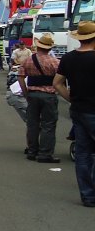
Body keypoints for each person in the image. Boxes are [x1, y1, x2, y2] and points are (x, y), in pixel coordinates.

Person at [53, 20, 95, 207]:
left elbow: (57, 83)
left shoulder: (68, 58)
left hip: (78, 109)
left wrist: (70, 98)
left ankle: (88, 195)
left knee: (83, 154)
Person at [19, 33, 61, 163]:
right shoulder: (55, 62)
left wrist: (25, 92)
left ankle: (32, 151)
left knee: (33, 124)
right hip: (49, 95)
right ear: (49, 48)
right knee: (48, 125)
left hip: (32, 94)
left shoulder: (28, 60)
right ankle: (45, 153)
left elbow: (20, 76)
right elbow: (61, 80)